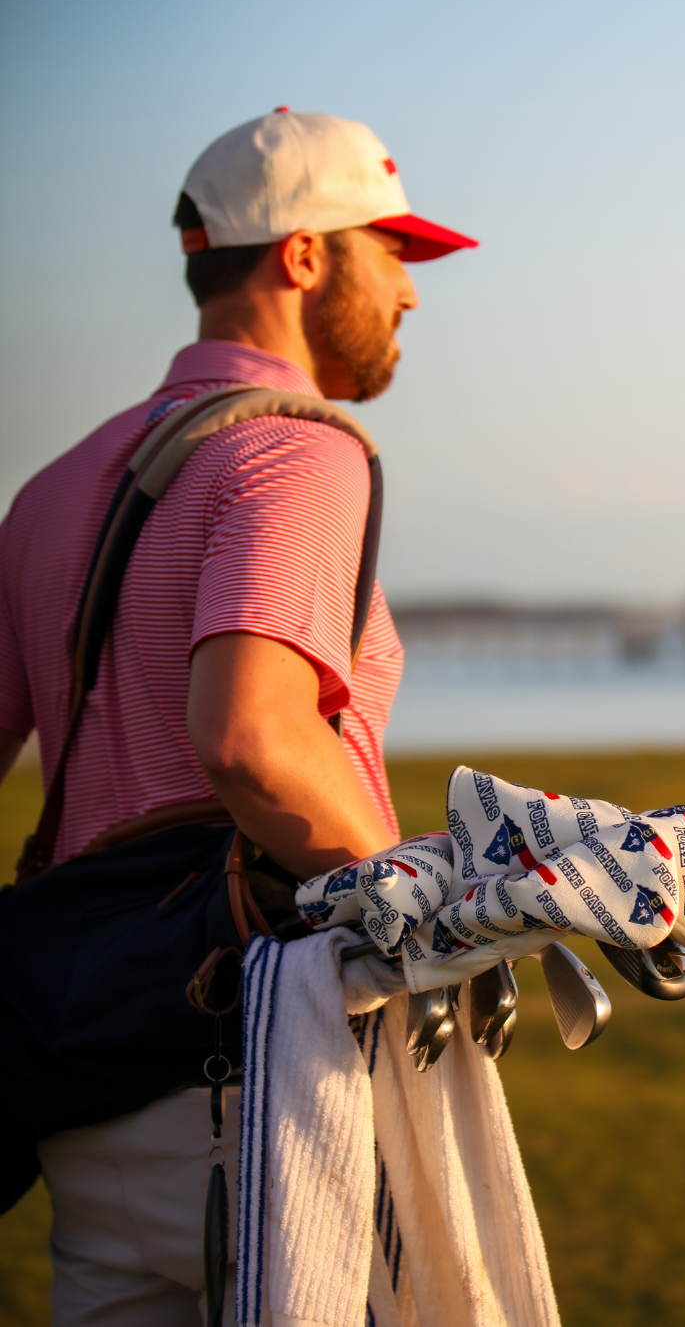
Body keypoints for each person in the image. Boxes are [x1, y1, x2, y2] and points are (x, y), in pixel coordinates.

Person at [0, 108, 477, 1326]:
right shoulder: (300, 456)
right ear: (305, 256)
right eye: (393, 252)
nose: (412, 297)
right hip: (261, 1062)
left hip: (87, 1073)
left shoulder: (53, 488)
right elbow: (258, 743)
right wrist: (435, 931)